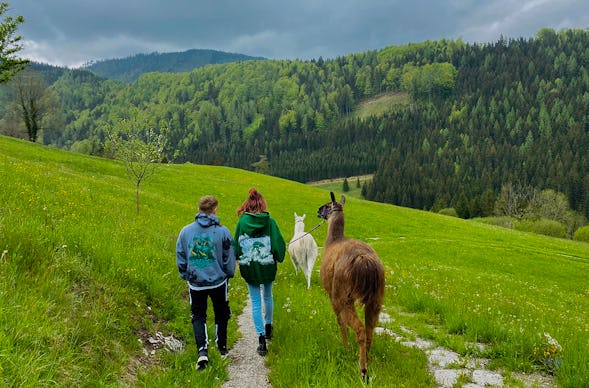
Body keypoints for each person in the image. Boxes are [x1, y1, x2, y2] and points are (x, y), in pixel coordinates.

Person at [176, 195, 236, 371]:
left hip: (196, 282)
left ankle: (202, 351)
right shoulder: (222, 231)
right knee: (221, 313)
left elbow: (181, 255)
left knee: (198, 315)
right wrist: (228, 273)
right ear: (214, 210)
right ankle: (222, 348)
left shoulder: (185, 232)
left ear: (198, 209)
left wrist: (185, 274)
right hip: (218, 281)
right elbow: (229, 256)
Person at [234, 188, 286, 356]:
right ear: (262, 203)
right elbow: (278, 244)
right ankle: (269, 326)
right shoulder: (270, 222)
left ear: (247, 204)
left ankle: (261, 340)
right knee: (268, 296)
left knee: (256, 302)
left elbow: (236, 244)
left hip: (249, 266)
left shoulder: (242, 222)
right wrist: (278, 256)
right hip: (267, 266)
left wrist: (237, 259)